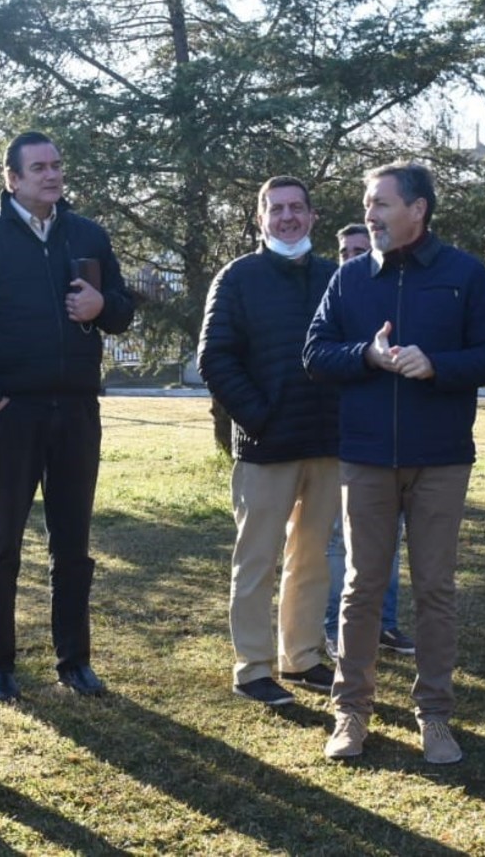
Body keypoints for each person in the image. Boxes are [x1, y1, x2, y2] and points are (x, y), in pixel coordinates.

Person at [305, 162, 485, 765]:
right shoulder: (348, 278)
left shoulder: (463, 274)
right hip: (366, 457)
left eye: (381, 204)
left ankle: (435, 715)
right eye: (367, 204)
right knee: (361, 588)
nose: (369, 215)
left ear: (417, 209)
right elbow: (315, 353)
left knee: (435, 589)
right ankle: (350, 711)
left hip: (440, 459)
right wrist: (365, 355)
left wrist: (438, 365)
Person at [0, 131, 137, 701]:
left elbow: (122, 309)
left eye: (56, 165)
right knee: (0, 543)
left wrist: (102, 306)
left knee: (72, 545)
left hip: (76, 410)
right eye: (38, 168)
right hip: (10, 414)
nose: (51, 175)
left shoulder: (88, 234)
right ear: (12, 178)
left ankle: (74, 660)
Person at [197, 177, 341, 706]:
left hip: (327, 442)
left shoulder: (335, 277)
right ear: (260, 218)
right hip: (265, 445)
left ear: (312, 215)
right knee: (256, 560)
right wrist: (259, 417)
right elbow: (215, 358)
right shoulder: (237, 278)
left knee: (313, 557)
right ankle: (253, 667)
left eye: (296, 207)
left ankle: (301, 656)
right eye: (276, 208)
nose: (287, 217)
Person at [323, 223, 416, 658]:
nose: (352, 257)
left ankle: (385, 624)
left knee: (388, 538)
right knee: (340, 541)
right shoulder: (335, 296)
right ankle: (334, 627)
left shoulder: (387, 298)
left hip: (383, 439)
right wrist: (363, 356)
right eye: (345, 251)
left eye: (360, 249)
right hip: (338, 437)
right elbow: (317, 357)